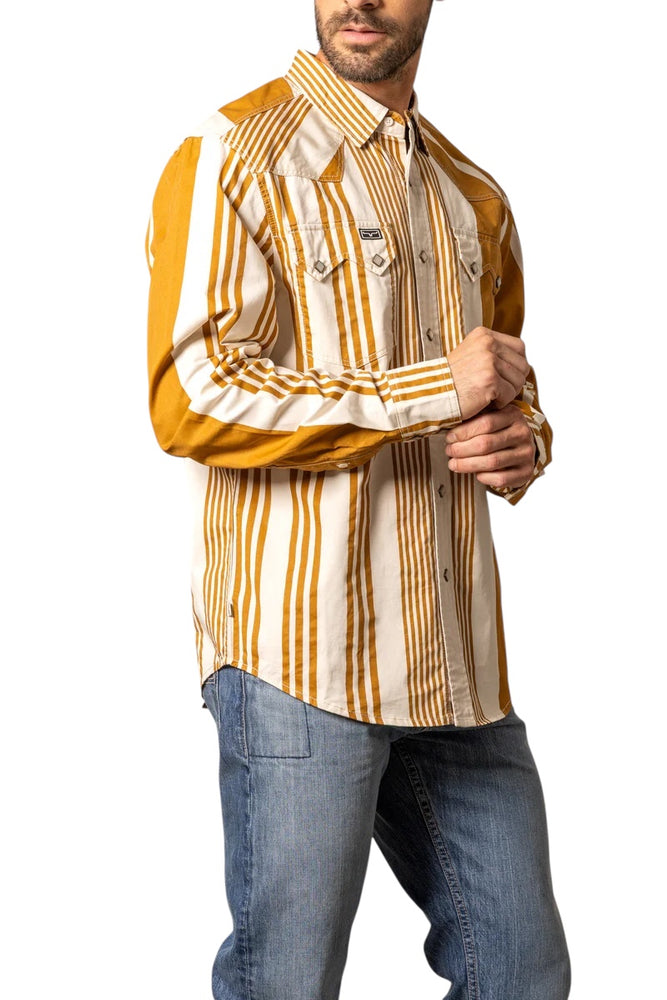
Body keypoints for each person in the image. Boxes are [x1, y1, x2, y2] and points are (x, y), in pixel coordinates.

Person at [146, 1, 571, 997]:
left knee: (519, 971)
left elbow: (507, 385)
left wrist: (524, 442)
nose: (360, 0)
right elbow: (190, 396)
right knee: (286, 983)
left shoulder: (475, 195)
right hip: (301, 660)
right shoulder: (233, 154)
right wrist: (429, 389)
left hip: (457, 669)